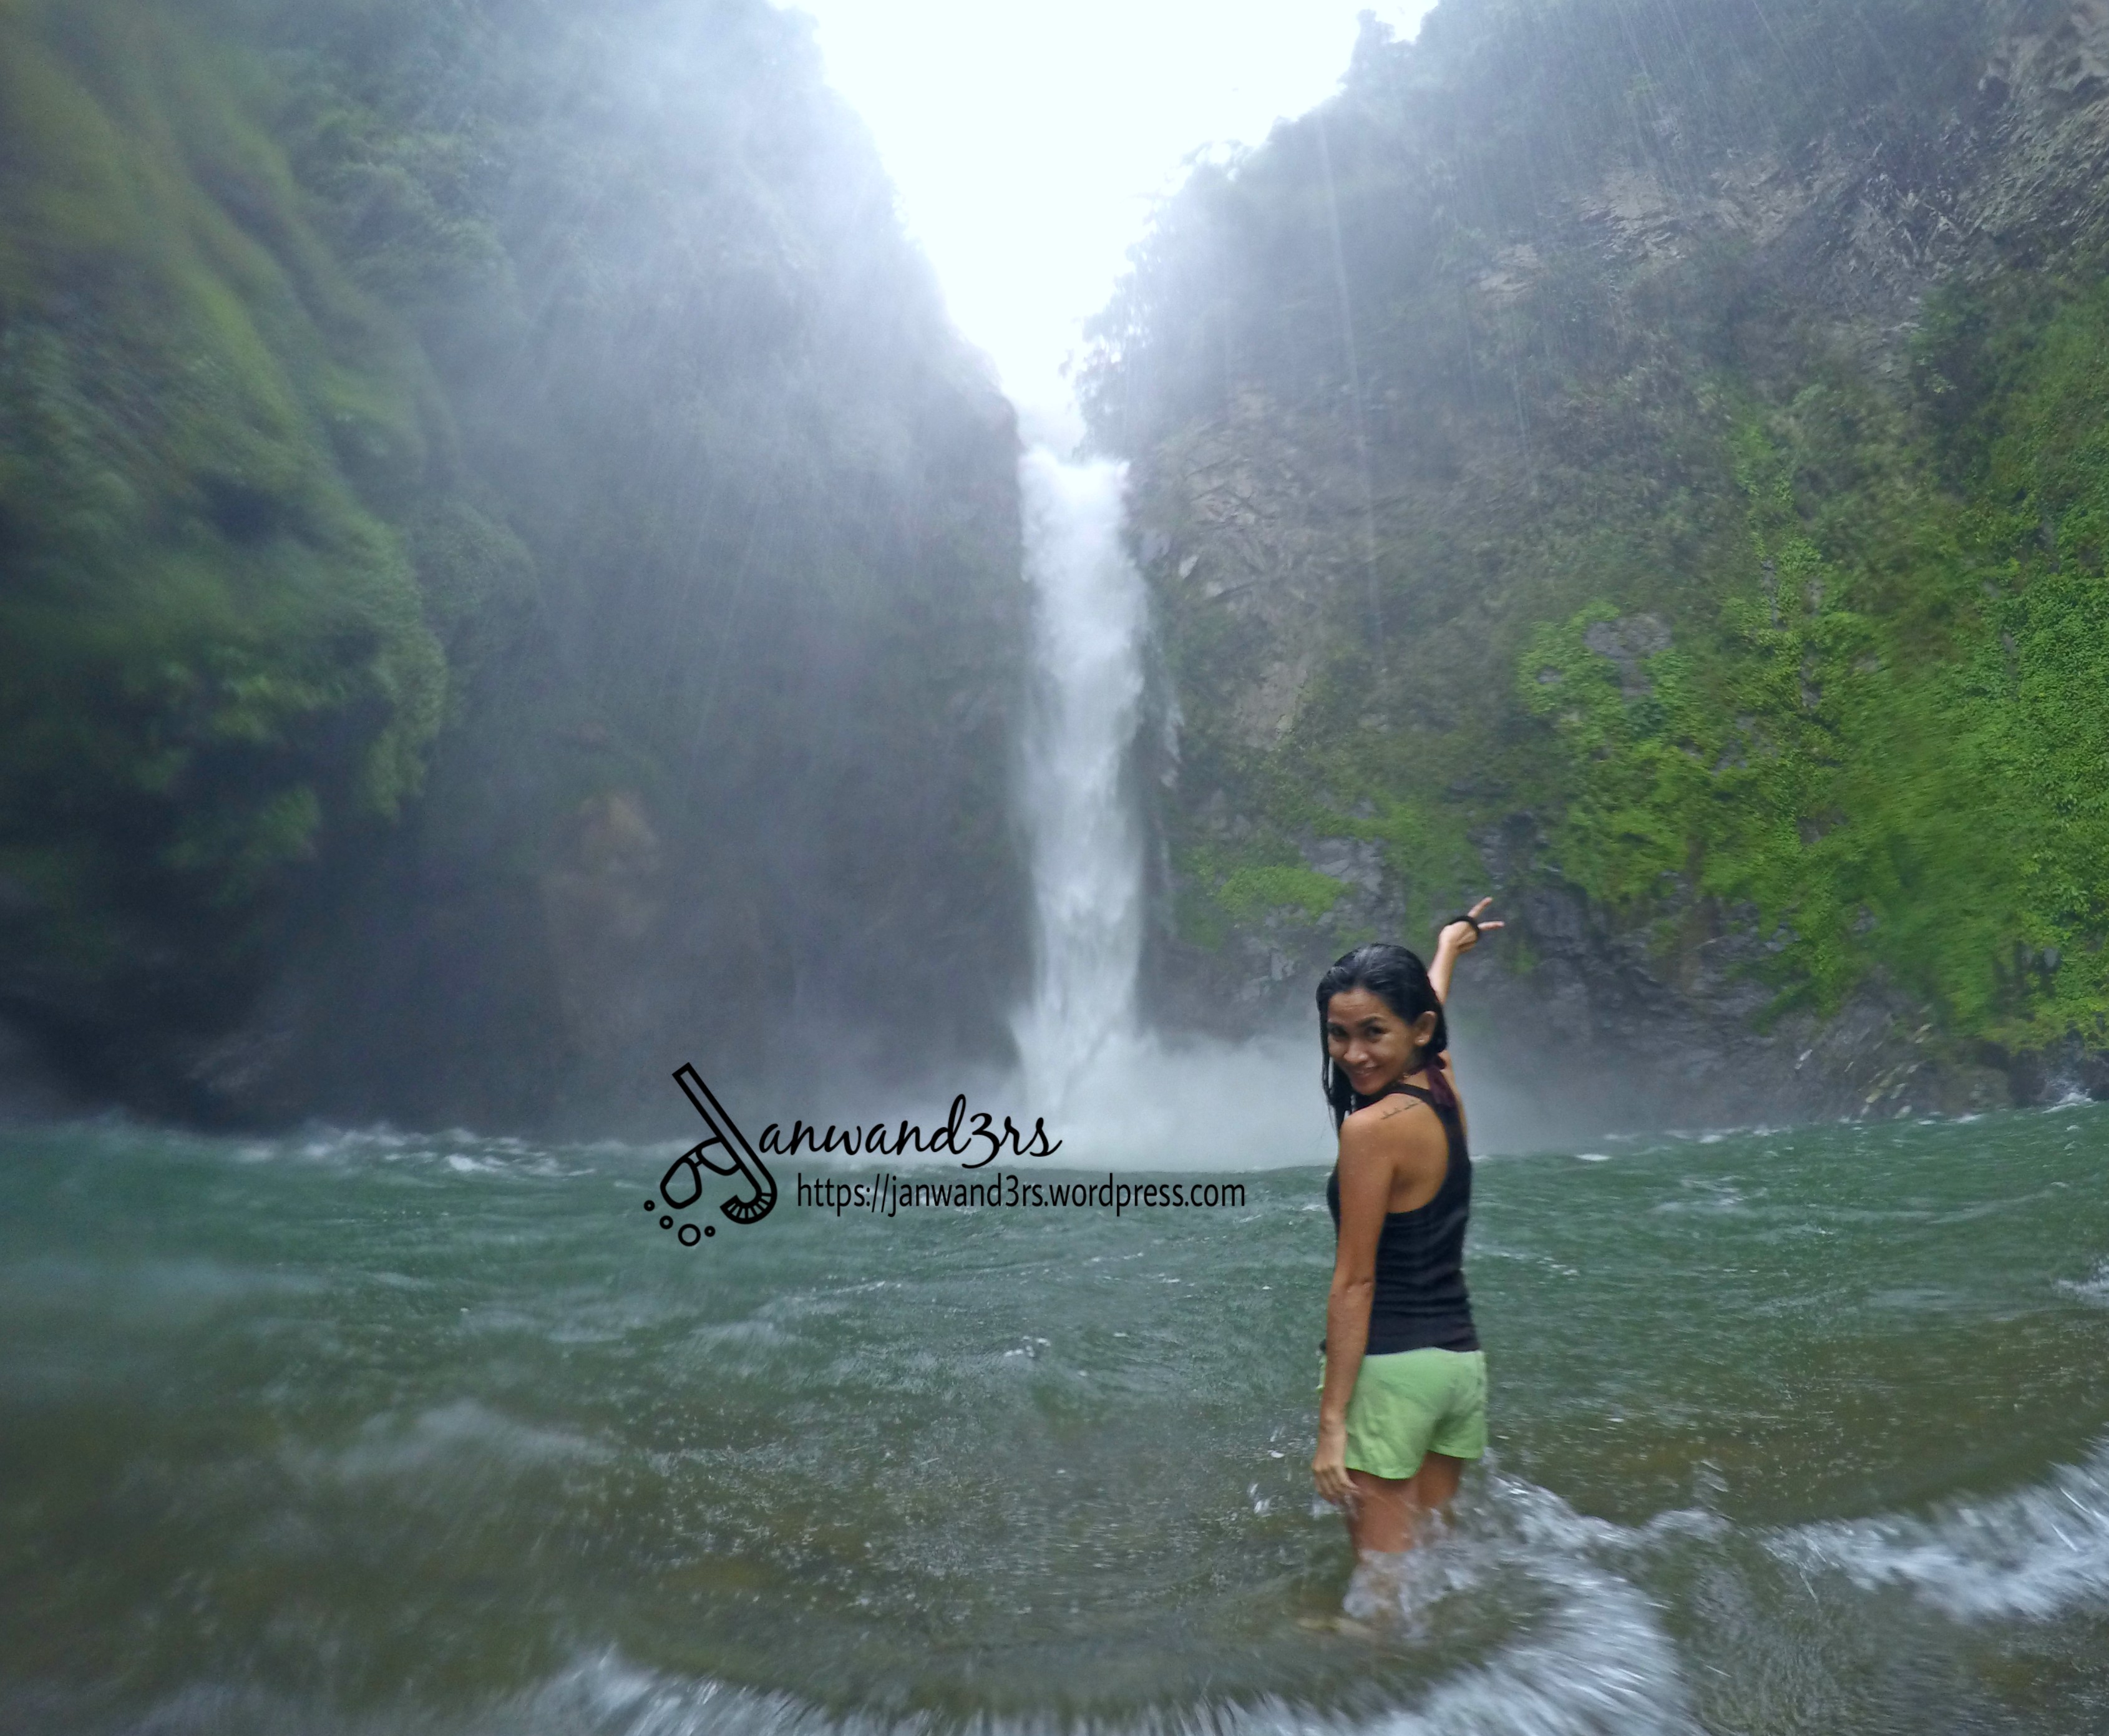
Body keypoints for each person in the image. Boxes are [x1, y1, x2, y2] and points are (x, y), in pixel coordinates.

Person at [1311, 901, 1501, 1576]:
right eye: (1337, 1035)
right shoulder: (1439, 1084)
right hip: (1456, 1368)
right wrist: (1449, 942)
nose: (1353, 1053)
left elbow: (1354, 1281)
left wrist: (1332, 1425)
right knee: (1432, 1572)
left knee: (1380, 1602)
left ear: (1416, 1030)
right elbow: (1427, 1006)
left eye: (1370, 1033)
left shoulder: (1372, 1130)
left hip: (1391, 1373)